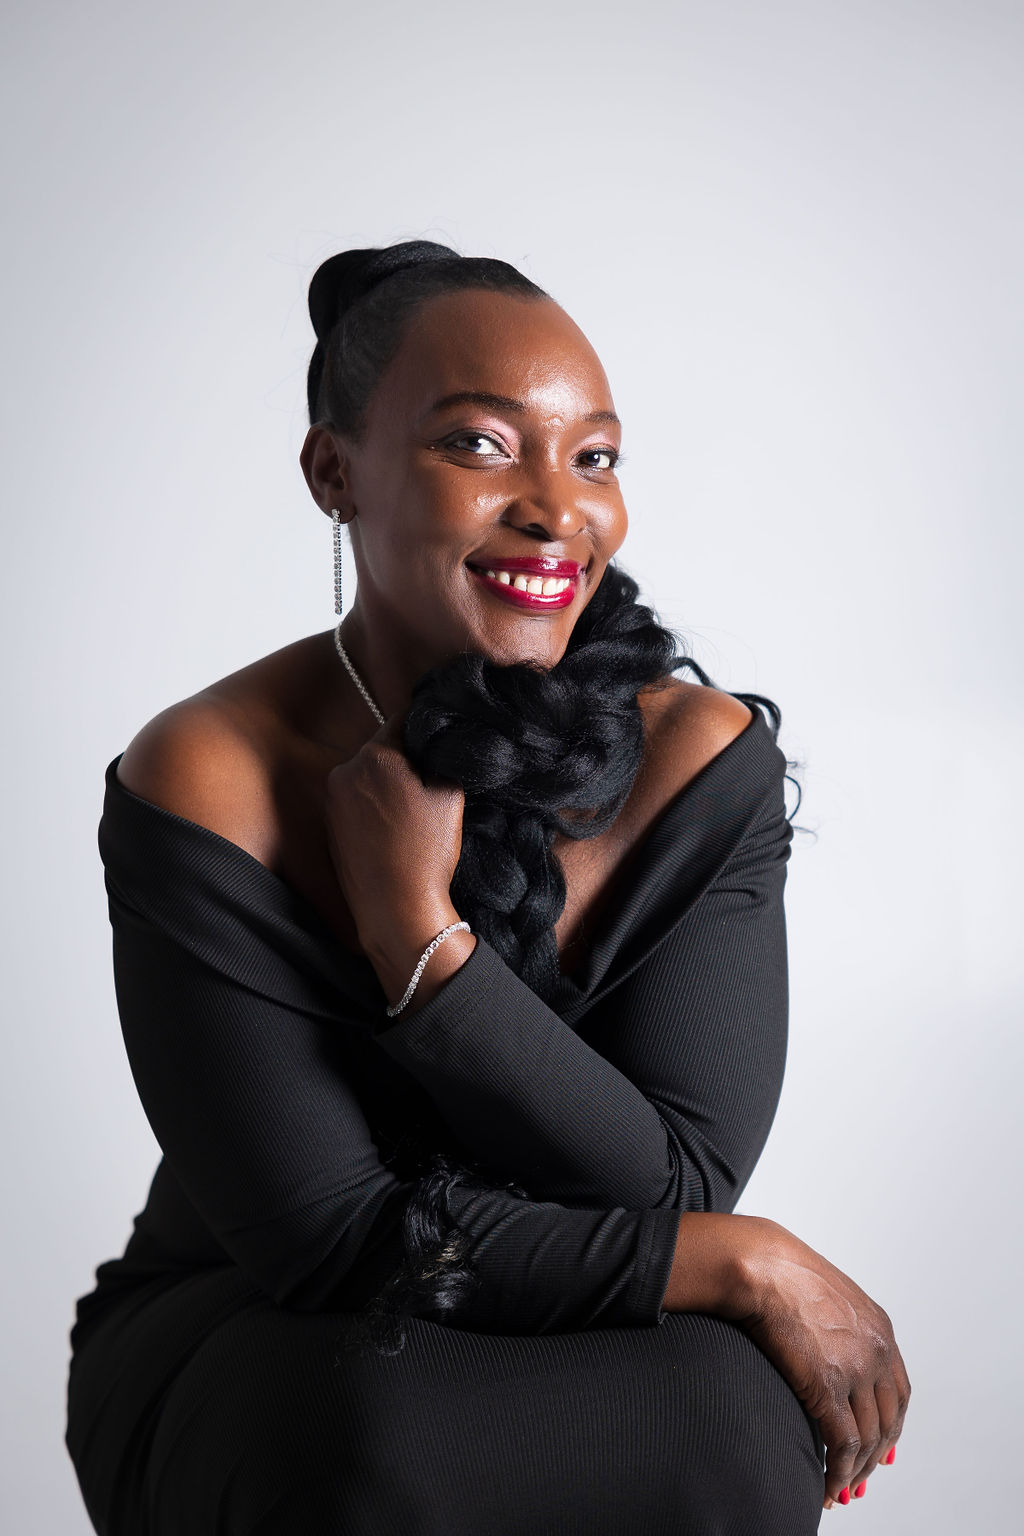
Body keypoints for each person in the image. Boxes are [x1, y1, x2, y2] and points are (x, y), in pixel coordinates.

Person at [64, 240, 909, 1536]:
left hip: (595, 1285)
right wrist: (741, 1262)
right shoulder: (209, 770)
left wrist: (430, 946)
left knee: (730, 1419)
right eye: (481, 444)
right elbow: (329, 1240)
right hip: (268, 1318)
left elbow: (670, 1191)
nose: (556, 506)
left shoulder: (694, 757)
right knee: (384, 1431)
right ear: (332, 472)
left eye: (595, 456)